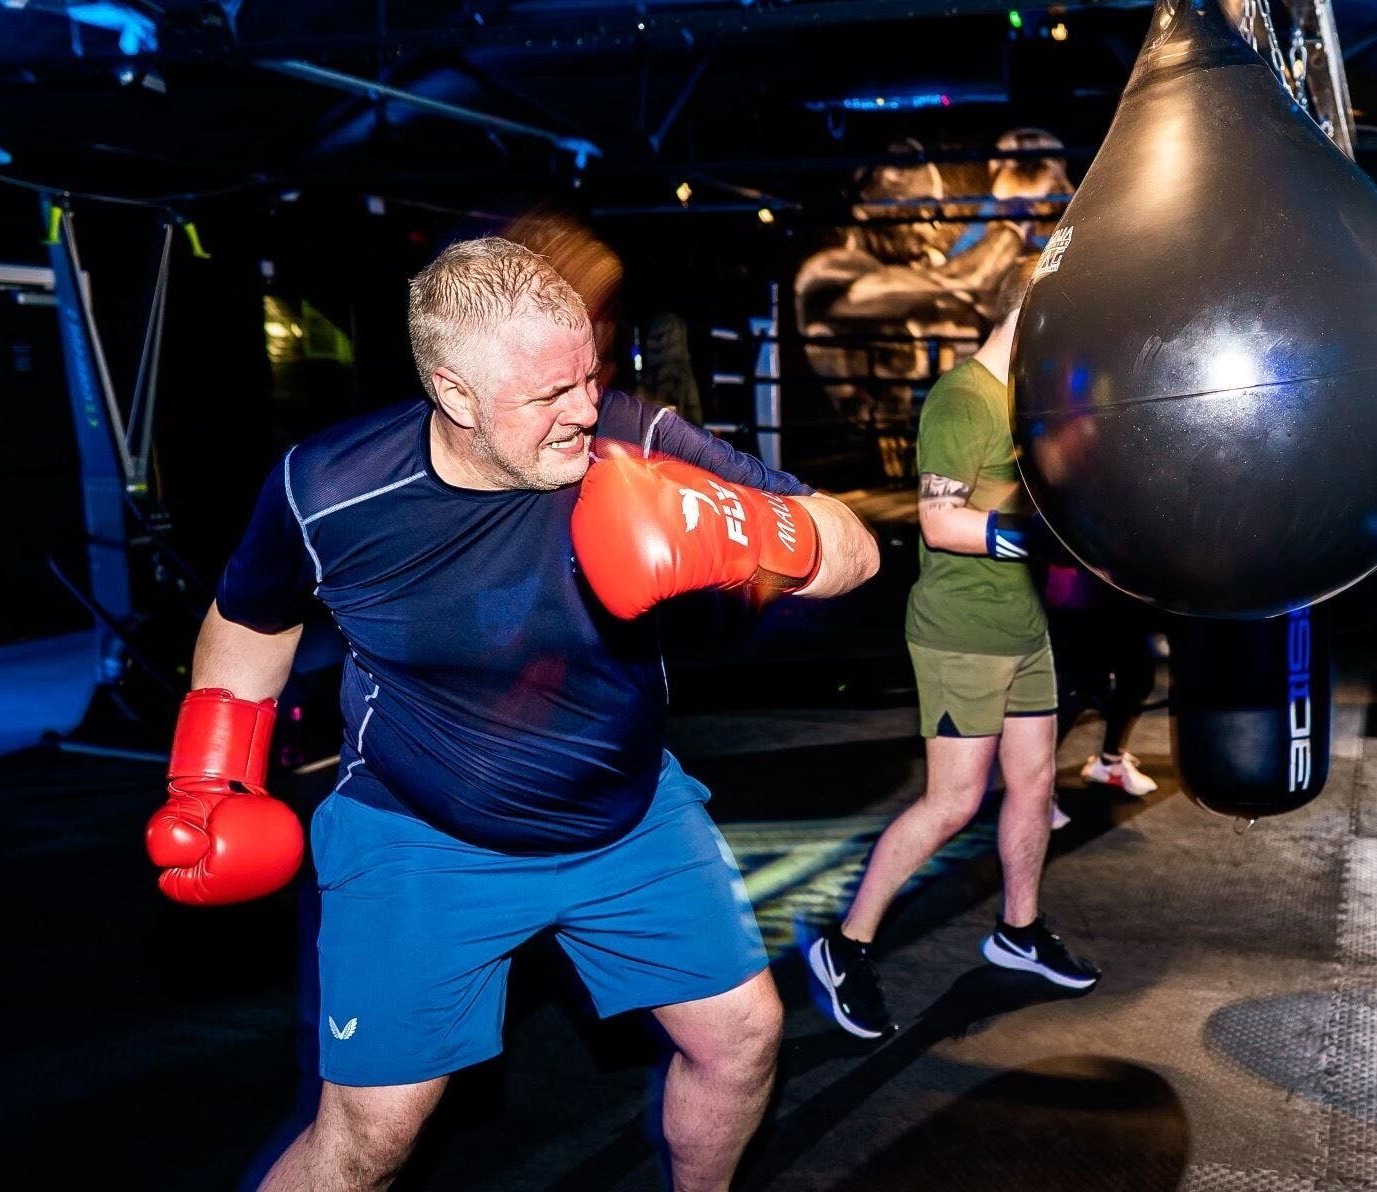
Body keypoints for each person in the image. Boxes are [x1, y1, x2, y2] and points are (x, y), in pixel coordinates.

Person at [142, 236, 879, 1192]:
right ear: (454, 394)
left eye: (588, 376)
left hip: (628, 814)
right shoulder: (329, 491)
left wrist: (744, 530)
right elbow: (247, 625)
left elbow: (854, 549)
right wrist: (210, 778)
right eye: (547, 396)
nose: (583, 411)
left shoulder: (633, 437)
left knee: (743, 1038)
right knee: (369, 1136)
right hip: (423, 829)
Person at [803, 256, 1098, 1041]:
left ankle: (1019, 931)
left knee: (1034, 787)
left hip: (1021, 627)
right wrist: (1036, 535)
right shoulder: (963, 399)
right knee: (953, 804)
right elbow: (940, 523)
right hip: (961, 632)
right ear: (1024, 313)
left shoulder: (1030, 405)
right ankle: (846, 943)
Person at [1044, 558, 1163, 798]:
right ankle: (1038, 787)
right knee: (1079, 687)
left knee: (1139, 679)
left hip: (1127, 587)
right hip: (1086, 587)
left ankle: (1109, 762)